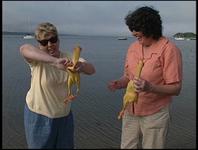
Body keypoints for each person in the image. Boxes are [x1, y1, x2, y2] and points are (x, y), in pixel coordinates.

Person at [108, 6, 182, 149]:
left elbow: (176, 88)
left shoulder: (169, 50)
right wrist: (119, 83)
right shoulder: (132, 48)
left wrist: (150, 87)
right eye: (135, 36)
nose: (138, 40)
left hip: (155, 114)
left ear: (151, 31)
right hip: (130, 111)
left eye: (139, 36)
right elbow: (128, 77)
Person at [20, 22, 95, 149]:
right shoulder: (37, 59)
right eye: (44, 42)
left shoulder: (68, 57)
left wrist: (80, 66)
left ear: (58, 40)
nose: (50, 45)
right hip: (38, 116)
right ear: (39, 44)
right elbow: (24, 49)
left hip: (64, 117)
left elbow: (91, 70)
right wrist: (55, 62)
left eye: (53, 40)